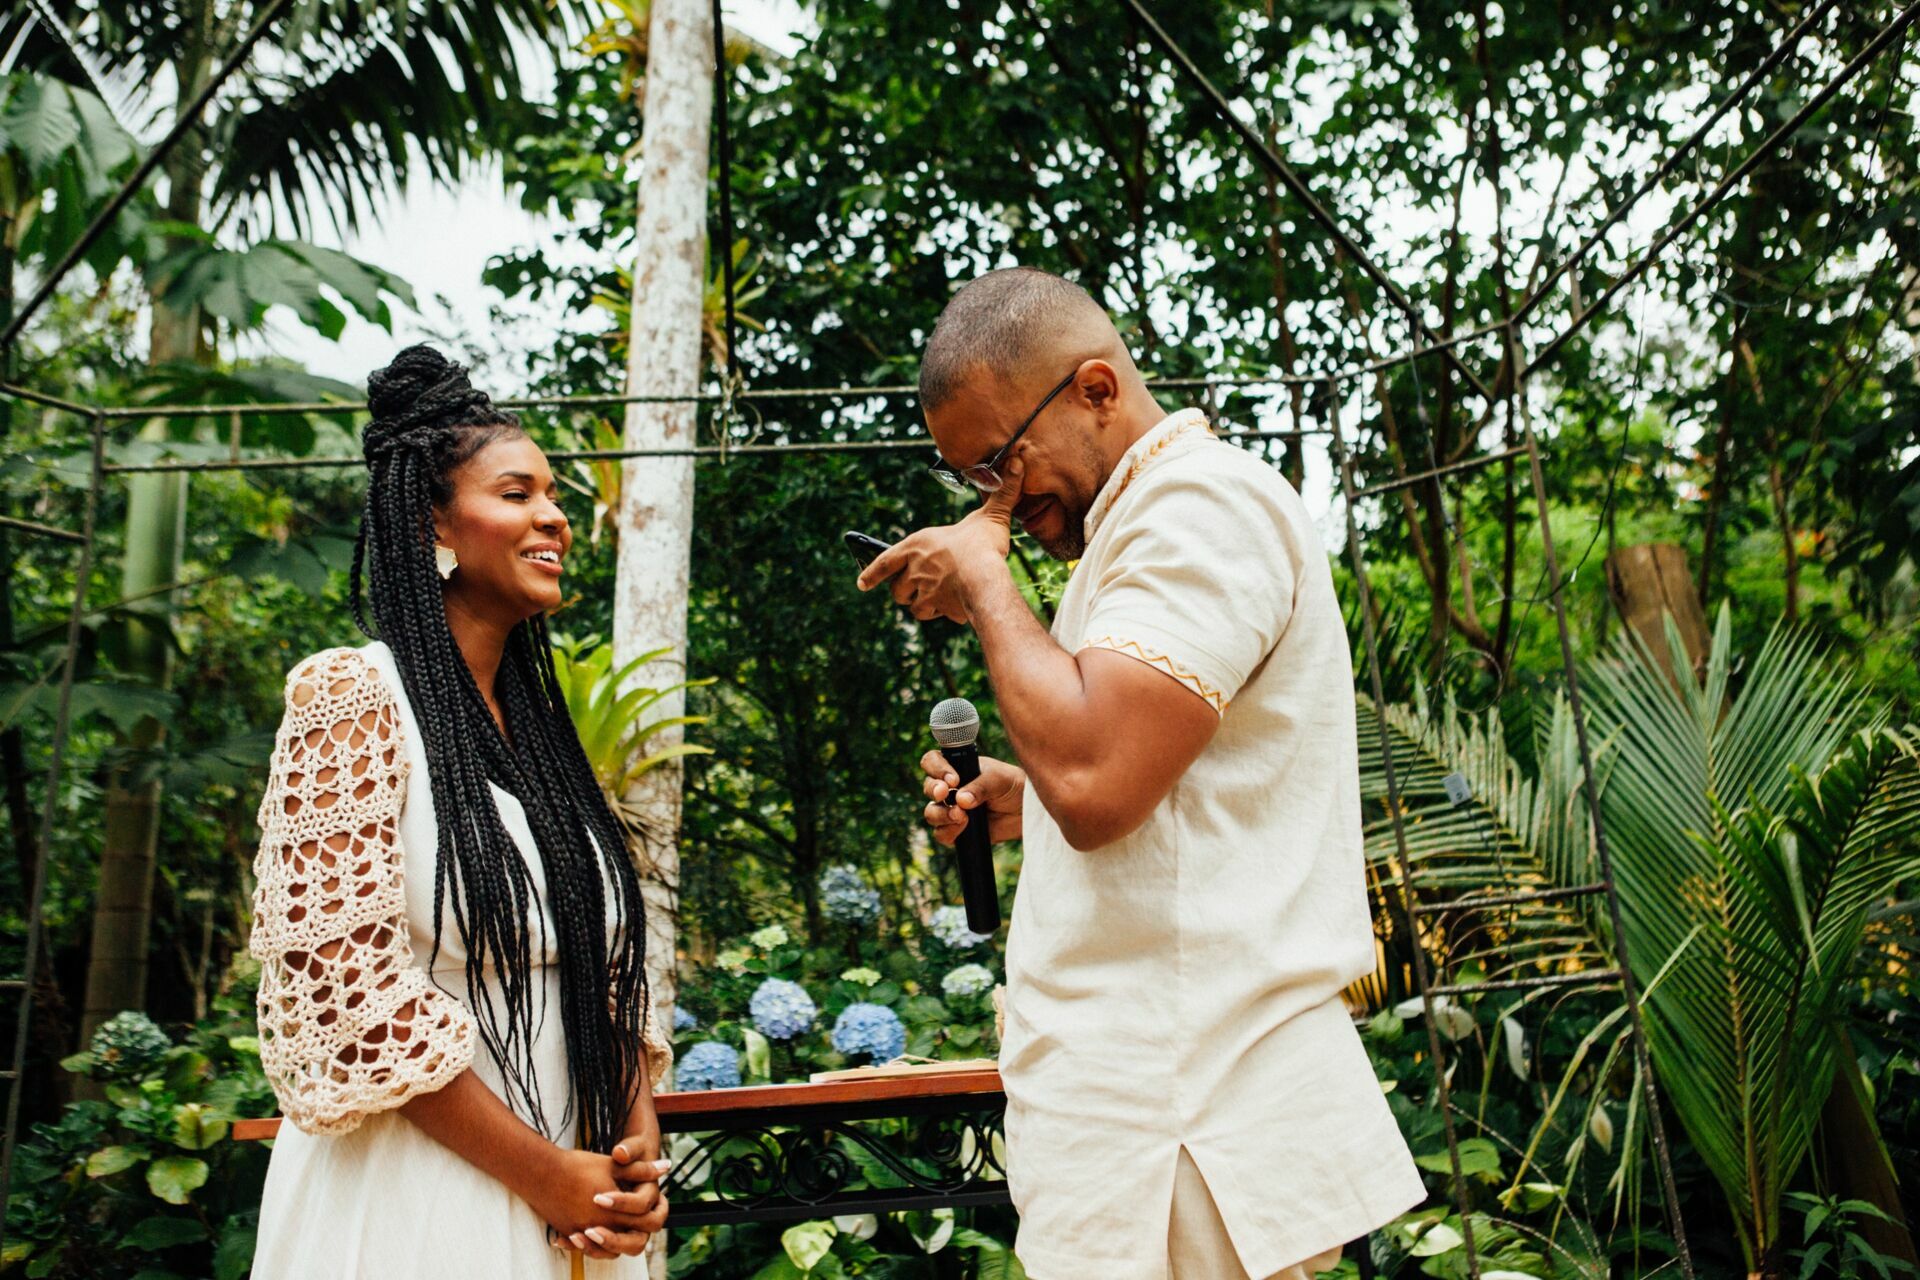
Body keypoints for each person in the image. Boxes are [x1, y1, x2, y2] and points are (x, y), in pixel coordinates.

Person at [857, 269, 1426, 1280]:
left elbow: (1099, 785)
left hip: (1188, 1118)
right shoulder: (1137, 530)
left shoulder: (1200, 507)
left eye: (999, 461)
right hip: (1161, 1116)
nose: (995, 501)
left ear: (1096, 389)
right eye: (970, 481)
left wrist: (984, 579)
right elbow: (1146, 793)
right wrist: (1027, 800)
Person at [249, 345, 673, 1277]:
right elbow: (348, 996)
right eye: (518, 494)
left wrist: (632, 1139)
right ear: (432, 523)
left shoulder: (542, 738)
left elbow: (598, 969)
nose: (554, 516)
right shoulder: (352, 698)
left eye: (553, 494)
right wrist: (544, 1175)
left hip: (577, 1199)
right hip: (421, 1199)